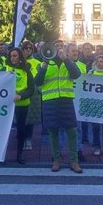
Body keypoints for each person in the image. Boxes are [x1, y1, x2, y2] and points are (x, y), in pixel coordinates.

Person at [35, 42, 83, 173]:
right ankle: (56, 160)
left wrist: (66, 59)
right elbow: (37, 82)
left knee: (72, 131)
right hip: (50, 101)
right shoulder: (42, 64)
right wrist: (45, 64)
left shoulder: (69, 63)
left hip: (66, 100)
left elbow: (76, 75)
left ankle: (74, 161)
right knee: (53, 132)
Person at [6, 47, 34, 164]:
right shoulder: (5, 69)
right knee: (5, 129)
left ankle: (19, 154)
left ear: (20, 57)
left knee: (21, 130)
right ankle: (2, 154)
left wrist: (21, 96)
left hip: (22, 104)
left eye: (15, 56)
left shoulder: (26, 71)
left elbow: (31, 89)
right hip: (6, 104)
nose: (13, 58)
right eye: (11, 56)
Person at [21, 41, 42, 151]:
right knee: (21, 117)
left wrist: (39, 90)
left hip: (33, 93)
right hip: (20, 92)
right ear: (22, 49)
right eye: (26, 48)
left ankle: (28, 139)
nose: (28, 50)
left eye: (30, 48)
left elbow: (41, 77)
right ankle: (21, 138)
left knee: (31, 118)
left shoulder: (37, 62)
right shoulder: (18, 61)